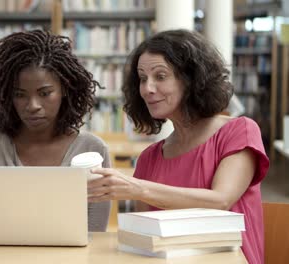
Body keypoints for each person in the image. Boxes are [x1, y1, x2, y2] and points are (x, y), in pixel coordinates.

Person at [87, 29, 269, 264]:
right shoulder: (149, 157)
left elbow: (221, 200)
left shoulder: (239, 131)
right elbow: (146, 238)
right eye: (142, 78)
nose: (147, 88)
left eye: (160, 76)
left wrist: (137, 187)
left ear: (191, 79)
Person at [0, 29, 111, 232]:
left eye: (45, 93)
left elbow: (95, 233)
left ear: (65, 89)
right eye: (20, 95)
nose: (32, 105)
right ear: (7, 96)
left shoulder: (92, 150)